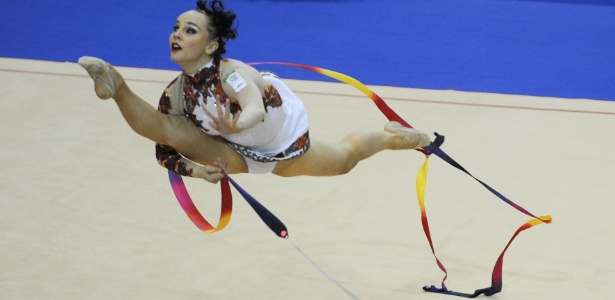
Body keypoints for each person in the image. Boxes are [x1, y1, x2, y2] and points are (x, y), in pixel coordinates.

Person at [78, 0, 431, 184]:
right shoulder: (175, 95)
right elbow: (163, 149)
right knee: (174, 131)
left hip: (279, 138)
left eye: (189, 30)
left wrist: (239, 125)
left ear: (212, 45)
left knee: (344, 161)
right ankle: (117, 85)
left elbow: (254, 108)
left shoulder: (230, 74)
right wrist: (198, 173)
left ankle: (389, 137)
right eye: (175, 29)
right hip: (239, 151)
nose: (177, 35)